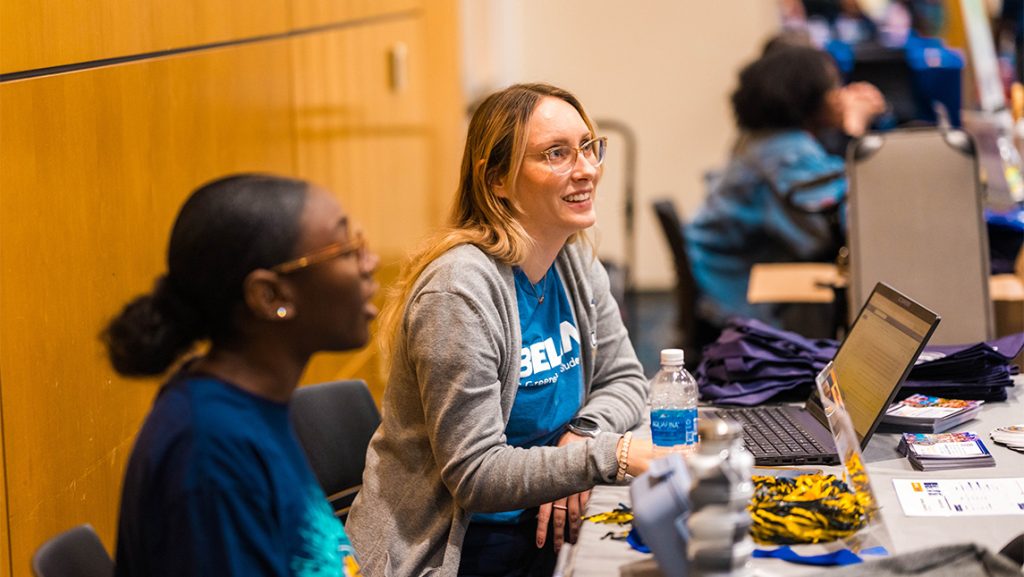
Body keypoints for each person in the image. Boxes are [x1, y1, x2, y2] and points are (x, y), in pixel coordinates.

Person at [346, 83, 655, 577]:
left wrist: (582, 436)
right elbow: (477, 475)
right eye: (556, 154)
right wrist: (610, 454)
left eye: (588, 146)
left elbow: (625, 379)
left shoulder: (572, 258)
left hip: (549, 518)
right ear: (497, 182)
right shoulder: (459, 290)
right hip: (461, 544)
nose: (587, 169)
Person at [104, 174, 378, 576]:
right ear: (270, 296)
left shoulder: (256, 405)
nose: (370, 263)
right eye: (346, 249)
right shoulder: (208, 452)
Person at [686, 45, 884, 329]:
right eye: (834, 88)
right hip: (737, 298)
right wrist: (855, 128)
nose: (841, 98)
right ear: (807, 99)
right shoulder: (787, 154)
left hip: (723, 281)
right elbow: (845, 227)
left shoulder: (762, 140)